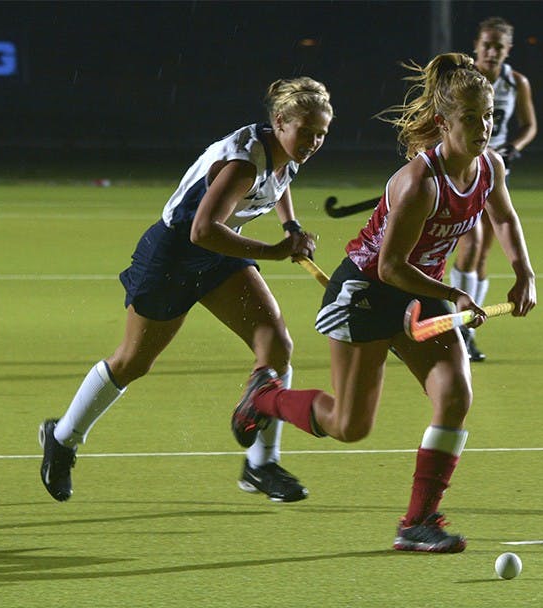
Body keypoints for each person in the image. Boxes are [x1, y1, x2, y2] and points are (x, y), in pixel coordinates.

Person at [230, 52, 536, 553]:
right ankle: (263, 397)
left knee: (455, 395)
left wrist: (523, 270)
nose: (484, 128)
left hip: (423, 292)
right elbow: (391, 266)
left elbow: (503, 217)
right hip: (368, 295)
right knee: (350, 426)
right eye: (471, 119)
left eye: (489, 118)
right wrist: (454, 293)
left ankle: (418, 523)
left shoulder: (489, 166)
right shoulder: (419, 181)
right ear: (443, 121)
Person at [38, 77, 333, 504]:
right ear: (280, 121)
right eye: (306, 131)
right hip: (175, 255)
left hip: (220, 251)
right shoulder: (244, 163)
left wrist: (291, 226)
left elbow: (282, 181)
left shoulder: (289, 150)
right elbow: (200, 230)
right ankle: (62, 437)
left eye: (322, 133)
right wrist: (273, 251)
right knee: (132, 362)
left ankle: (260, 464)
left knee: (276, 345)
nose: (313, 141)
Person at [449, 16, 538, 362]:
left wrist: (513, 148)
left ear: (508, 50)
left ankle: (466, 330)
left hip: (493, 172)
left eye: (498, 46)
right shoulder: (462, 80)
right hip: (463, 170)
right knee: (469, 244)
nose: (491, 51)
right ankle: (457, 325)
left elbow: (529, 125)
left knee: (482, 251)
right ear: (476, 44)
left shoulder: (516, 83)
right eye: (486, 44)